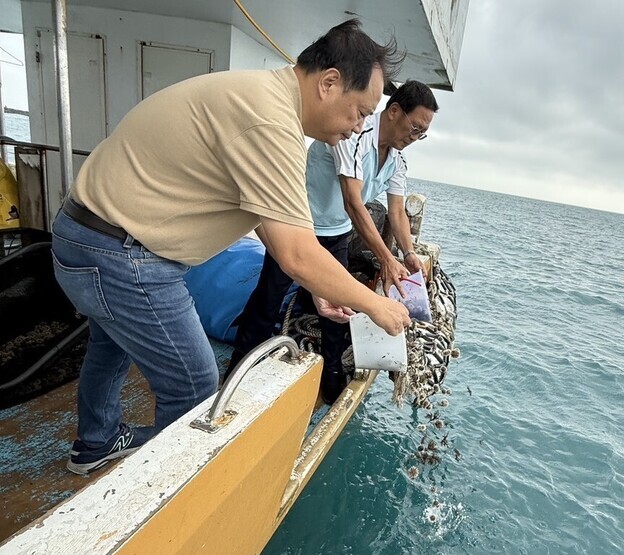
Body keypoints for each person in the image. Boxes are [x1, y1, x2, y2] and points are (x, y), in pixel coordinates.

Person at [51, 19, 411, 475]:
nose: (360, 126)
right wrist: (374, 305)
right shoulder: (270, 120)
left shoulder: (263, 100)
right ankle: (167, 502)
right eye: (360, 111)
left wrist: (322, 288)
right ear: (330, 83)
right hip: (118, 255)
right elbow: (298, 253)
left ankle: (95, 444)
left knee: (110, 347)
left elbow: (264, 213)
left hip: (86, 238)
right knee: (195, 385)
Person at [228, 80, 438, 403]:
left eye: (422, 134)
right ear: (394, 111)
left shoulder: (397, 159)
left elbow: (397, 210)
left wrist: (407, 253)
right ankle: (235, 375)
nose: (415, 138)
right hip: (300, 226)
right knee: (268, 298)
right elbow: (354, 202)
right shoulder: (354, 134)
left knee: (337, 311)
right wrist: (385, 257)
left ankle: (331, 385)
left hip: (337, 232)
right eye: (415, 128)